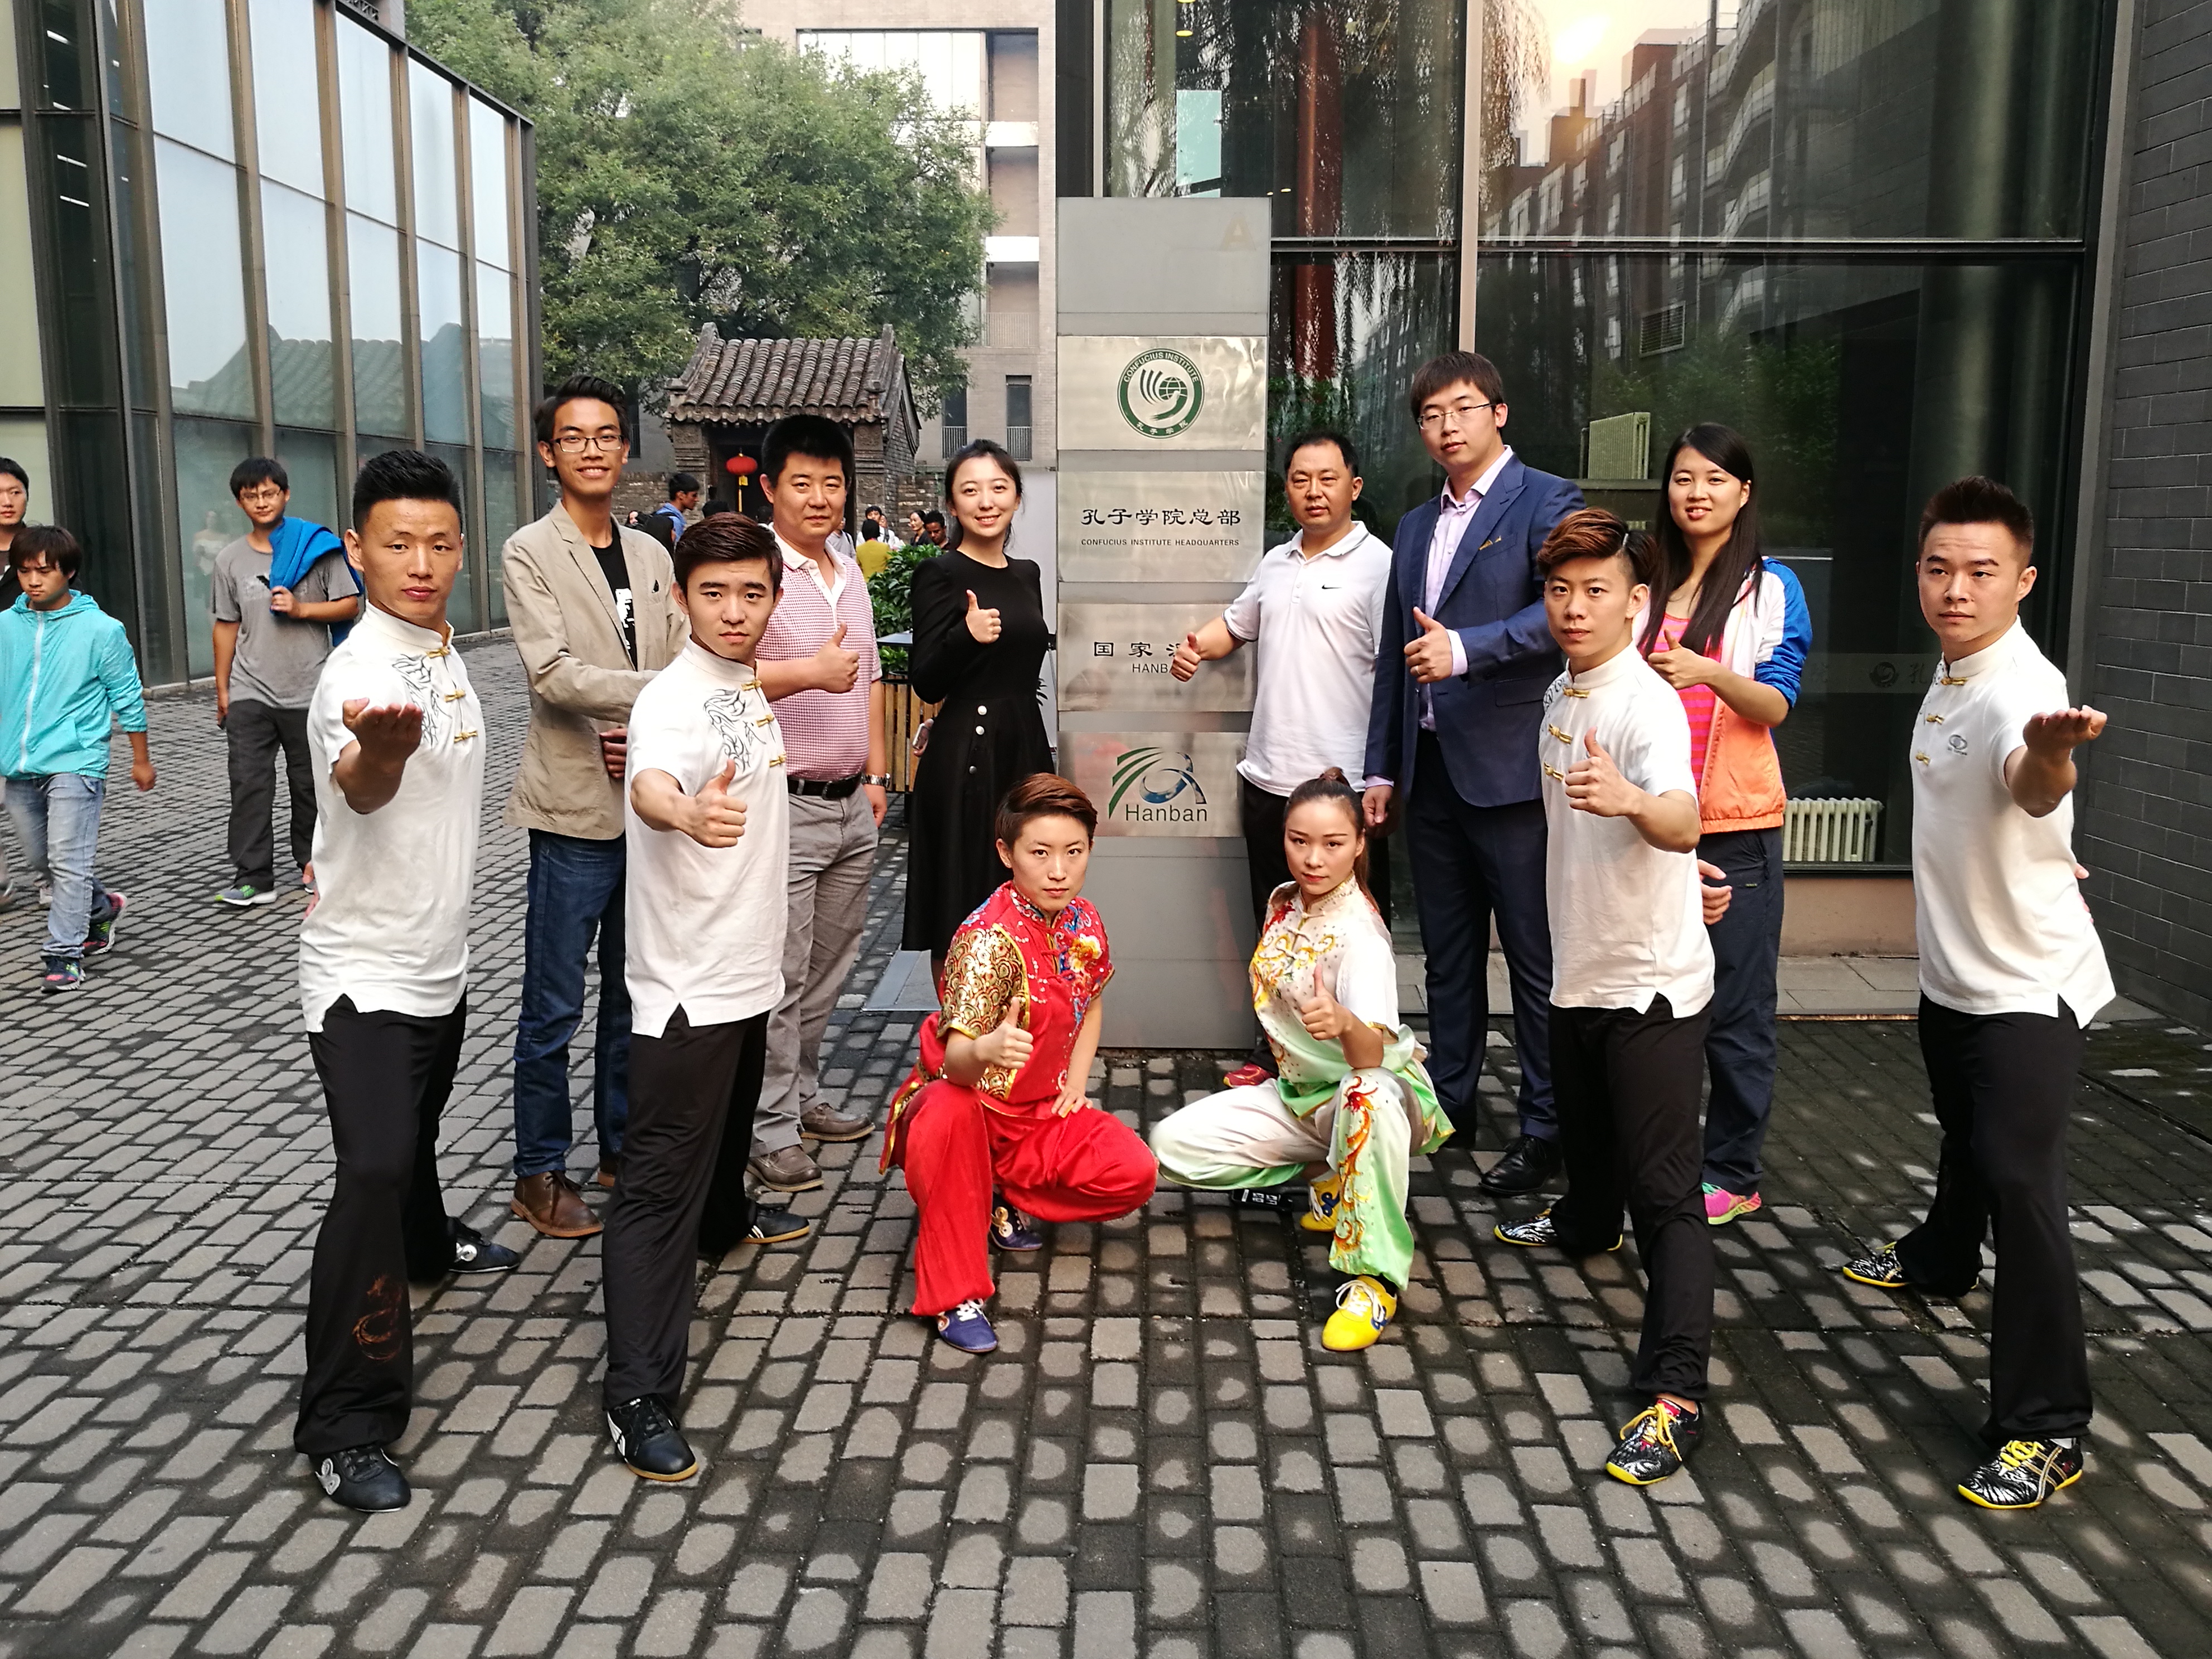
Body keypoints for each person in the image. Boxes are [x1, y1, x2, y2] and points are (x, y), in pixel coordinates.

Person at [1841, 477, 2113, 1511]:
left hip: (2024, 989)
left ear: (2023, 582)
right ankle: (1939, 1258)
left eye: (1981, 572)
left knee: (2015, 1178)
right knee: (1963, 1134)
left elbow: (2031, 778)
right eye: (1939, 568)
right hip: (1953, 974)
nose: (1956, 589)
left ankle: (2047, 1426)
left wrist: (2050, 759)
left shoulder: (2017, 689)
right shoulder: (1952, 670)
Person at [293, 450, 520, 1514]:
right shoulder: (357, 679)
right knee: (374, 1168)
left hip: (440, 959)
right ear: (356, 550)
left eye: (438, 543)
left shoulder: (443, 648)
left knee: (415, 1135)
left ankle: (429, 1247)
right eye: (396, 544)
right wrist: (377, 756)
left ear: (461, 548)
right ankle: (345, 1421)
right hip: (362, 978)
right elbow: (362, 782)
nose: (420, 563)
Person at [1491, 508, 1718, 1487]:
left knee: (1665, 1194)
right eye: (1559, 590)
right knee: (1586, 1142)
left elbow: (1682, 815)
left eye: (1596, 591)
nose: (1574, 607)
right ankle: (1586, 1223)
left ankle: (1676, 1393)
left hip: (1649, 987)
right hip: (1579, 967)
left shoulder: (1643, 706)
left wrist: (1635, 806)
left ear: (1636, 603)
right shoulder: (1561, 690)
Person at [600, 513, 807, 1482]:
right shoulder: (673, 699)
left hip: (747, 969)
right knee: (656, 1188)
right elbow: (651, 784)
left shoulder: (741, 685)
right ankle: (635, 1394)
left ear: (773, 597)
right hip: (686, 986)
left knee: (726, 1131)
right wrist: (683, 809)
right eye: (713, 593)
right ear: (680, 599)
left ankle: (727, 1220)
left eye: (752, 593)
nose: (734, 611)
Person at [1362, 352, 1583, 1197]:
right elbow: (1396, 656)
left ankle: (1546, 1126)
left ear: (1498, 412)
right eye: (1430, 416)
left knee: (1533, 959)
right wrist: (1381, 768)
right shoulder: (1415, 526)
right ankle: (1449, 1101)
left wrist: (1468, 650)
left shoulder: (1549, 501)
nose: (1446, 427)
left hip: (1514, 774)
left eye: (1461, 408)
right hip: (1430, 775)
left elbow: (1566, 611)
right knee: (1447, 958)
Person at [1151, 770, 1449, 1351]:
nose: (1313, 859)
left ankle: (1374, 1280)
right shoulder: (1284, 901)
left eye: (1333, 844)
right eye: (1298, 841)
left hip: (1377, 1101)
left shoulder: (1361, 939)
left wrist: (1343, 1023)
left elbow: (1372, 1061)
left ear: (1359, 844)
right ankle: (1330, 1176)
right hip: (1300, 1097)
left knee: (1363, 1095)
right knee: (1170, 1146)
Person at [503, 375, 690, 1240]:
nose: (592, 448)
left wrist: (649, 727)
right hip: (574, 810)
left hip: (647, 812)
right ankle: (539, 1171)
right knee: (553, 1006)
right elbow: (551, 674)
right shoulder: (529, 552)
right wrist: (650, 705)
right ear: (550, 453)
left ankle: (620, 1148)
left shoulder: (652, 554)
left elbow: (686, 656)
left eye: (607, 434)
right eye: (573, 436)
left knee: (631, 995)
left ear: (624, 448)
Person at [879, 774, 1157, 1353]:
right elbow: (956, 1064)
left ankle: (999, 1194)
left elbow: (1091, 1000)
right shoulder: (985, 939)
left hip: (1034, 1114)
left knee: (1133, 1172)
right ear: (1006, 853)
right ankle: (954, 1294)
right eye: (1040, 853)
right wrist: (985, 1050)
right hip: (966, 1110)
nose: (1058, 871)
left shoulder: (1084, 919)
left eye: (1073, 852)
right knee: (948, 1108)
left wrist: (1075, 1082)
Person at [1173, 429, 1396, 1085]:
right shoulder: (1277, 562)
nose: (1313, 491)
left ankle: (1356, 1058)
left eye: (1327, 479)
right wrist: (1193, 649)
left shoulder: (1379, 566)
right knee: (1274, 926)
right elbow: (1234, 625)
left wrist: (1379, 776)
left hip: (1341, 787)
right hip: (1268, 777)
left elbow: (1393, 679)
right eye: (1300, 479)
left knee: (1349, 931)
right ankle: (1271, 1052)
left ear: (1353, 487)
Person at [1635, 427, 1811, 1226]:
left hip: (1733, 825)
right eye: (1682, 479)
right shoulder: (1646, 580)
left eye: (1713, 479)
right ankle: (1655, 1154)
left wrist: (1708, 671)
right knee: (1648, 1000)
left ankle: (1733, 1172)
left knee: (1735, 1009)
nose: (1695, 493)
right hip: (1648, 818)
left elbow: (1777, 703)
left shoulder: (1770, 588)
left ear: (1743, 493)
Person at [746, 415, 889, 1196]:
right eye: (801, 483)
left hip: (849, 803)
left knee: (829, 968)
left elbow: (868, 680)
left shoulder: (848, 570)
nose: (819, 498)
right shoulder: (756, 571)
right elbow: (725, 672)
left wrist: (876, 776)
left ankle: (803, 1096)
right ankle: (768, 1129)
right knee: (781, 972)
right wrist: (807, 671)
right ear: (770, 488)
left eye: (832, 483)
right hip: (783, 801)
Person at [904, 440, 1054, 971]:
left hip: (1025, 746)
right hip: (968, 754)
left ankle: (1023, 1017)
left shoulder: (1028, 573)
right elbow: (926, 680)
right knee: (964, 903)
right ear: (952, 502)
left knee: (1031, 896)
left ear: (1017, 497)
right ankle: (961, 1020)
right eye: (970, 490)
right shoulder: (940, 573)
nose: (986, 501)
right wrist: (965, 636)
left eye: (998, 488)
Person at [1, 527, 153, 989]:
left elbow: (127, 695)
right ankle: (101, 906)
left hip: (76, 761)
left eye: (44, 571)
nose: (33, 580)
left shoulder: (101, 630)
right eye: (24, 571)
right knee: (41, 859)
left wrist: (140, 758)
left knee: (68, 861)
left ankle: (63, 954)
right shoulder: (6, 626)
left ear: (68, 572)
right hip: (18, 765)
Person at [211, 457, 361, 907]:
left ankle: (313, 865)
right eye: (251, 496)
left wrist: (301, 609)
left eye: (269, 493)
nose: (261, 502)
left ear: (286, 494)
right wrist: (223, 689)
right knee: (248, 784)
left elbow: (349, 604)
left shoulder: (317, 548)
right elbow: (226, 625)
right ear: (240, 502)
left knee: (310, 785)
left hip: (309, 688)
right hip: (250, 689)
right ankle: (253, 877)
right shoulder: (230, 559)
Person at [0, 458, 30, 907]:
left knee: (31, 794)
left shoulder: (42, 549)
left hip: (31, 688)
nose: (6, 501)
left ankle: (53, 876)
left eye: (15, 491)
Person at [651, 472, 700, 548]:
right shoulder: (674, 521)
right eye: (694, 495)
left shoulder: (661, 513)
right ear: (681, 495)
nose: (697, 500)